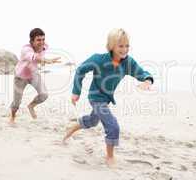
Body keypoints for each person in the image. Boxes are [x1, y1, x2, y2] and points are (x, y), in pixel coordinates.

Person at [63, 28, 154, 166]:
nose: (125, 49)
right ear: (111, 46)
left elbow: (141, 72)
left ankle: (71, 128)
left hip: (105, 99)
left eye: (127, 46)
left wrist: (147, 81)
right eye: (121, 46)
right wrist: (76, 91)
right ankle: (110, 157)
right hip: (95, 97)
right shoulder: (98, 59)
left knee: (93, 121)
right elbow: (80, 70)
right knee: (113, 126)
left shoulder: (127, 62)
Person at [9, 28, 61, 124]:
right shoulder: (26, 49)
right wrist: (45, 61)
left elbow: (39, 57)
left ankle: (31, 106)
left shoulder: (45, 46)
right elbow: (33, 56)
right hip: (20, 77)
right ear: (32, 41)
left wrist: (44, 61)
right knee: (16, 103)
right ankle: (12, 117)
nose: (41, 42)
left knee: (44, 95)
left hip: (33, 74)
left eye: (43, 39)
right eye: (38, 40)